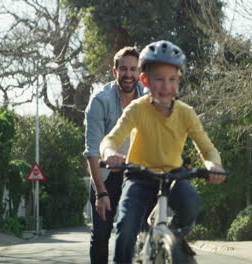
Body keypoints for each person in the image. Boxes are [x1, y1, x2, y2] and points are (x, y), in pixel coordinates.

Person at [100, 40, 226, 264]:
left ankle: (175, 235)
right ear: (145, 80)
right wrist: (109, 152)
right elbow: (111, 138)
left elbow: (207, 148)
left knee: (192, 203)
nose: (166, 86)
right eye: (159, 79)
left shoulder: (186, 113)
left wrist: (212, 165)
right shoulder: (137, 108)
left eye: (172, 79)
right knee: (126, 223)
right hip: (139, 176)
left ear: (179, 80)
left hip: (173, 174)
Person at [83, 46, 144, 264]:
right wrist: (101, 193)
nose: (128, 74)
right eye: (124, 69)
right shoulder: (100, 101)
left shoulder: (148, 99)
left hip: (136, 175)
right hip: (105, 177)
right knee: (100, 236)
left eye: (133, 69)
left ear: (139, 73)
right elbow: (92, 150)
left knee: (132, 235)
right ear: (114, 71)